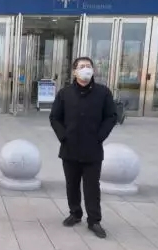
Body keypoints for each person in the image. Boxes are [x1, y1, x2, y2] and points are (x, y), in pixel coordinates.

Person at [49, 56, 117, 238]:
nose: (86, 69)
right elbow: (54, 117)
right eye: (82, 66)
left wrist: (100, 136)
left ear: (93, 70)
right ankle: (75, 213)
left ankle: (94, 220)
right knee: (72, 184)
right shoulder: (65, 93)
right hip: (69, 148)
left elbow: (111, 117)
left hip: (92, 149)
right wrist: (63, 136)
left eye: (88, 66)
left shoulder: (103, 93)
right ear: (75, 72)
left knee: (92, 187)